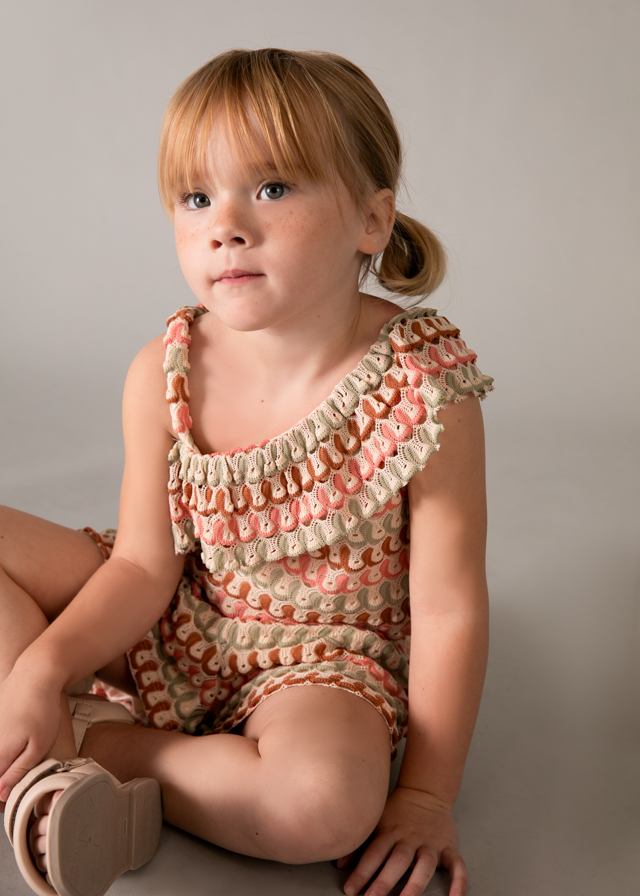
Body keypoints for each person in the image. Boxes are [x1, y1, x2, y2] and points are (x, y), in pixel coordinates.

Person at [0, 48, 493, 896]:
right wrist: (44, 665)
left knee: (321, 805)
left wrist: (423, 797)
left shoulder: (424, 389)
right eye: (197, 198)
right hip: (176, 608)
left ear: (371, 220)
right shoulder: (163, 370)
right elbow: (142, 567)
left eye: (271, 188)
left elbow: (449, 608)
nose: (225, 224)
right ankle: (37, 716)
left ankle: (92, 751)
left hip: (322, 665)